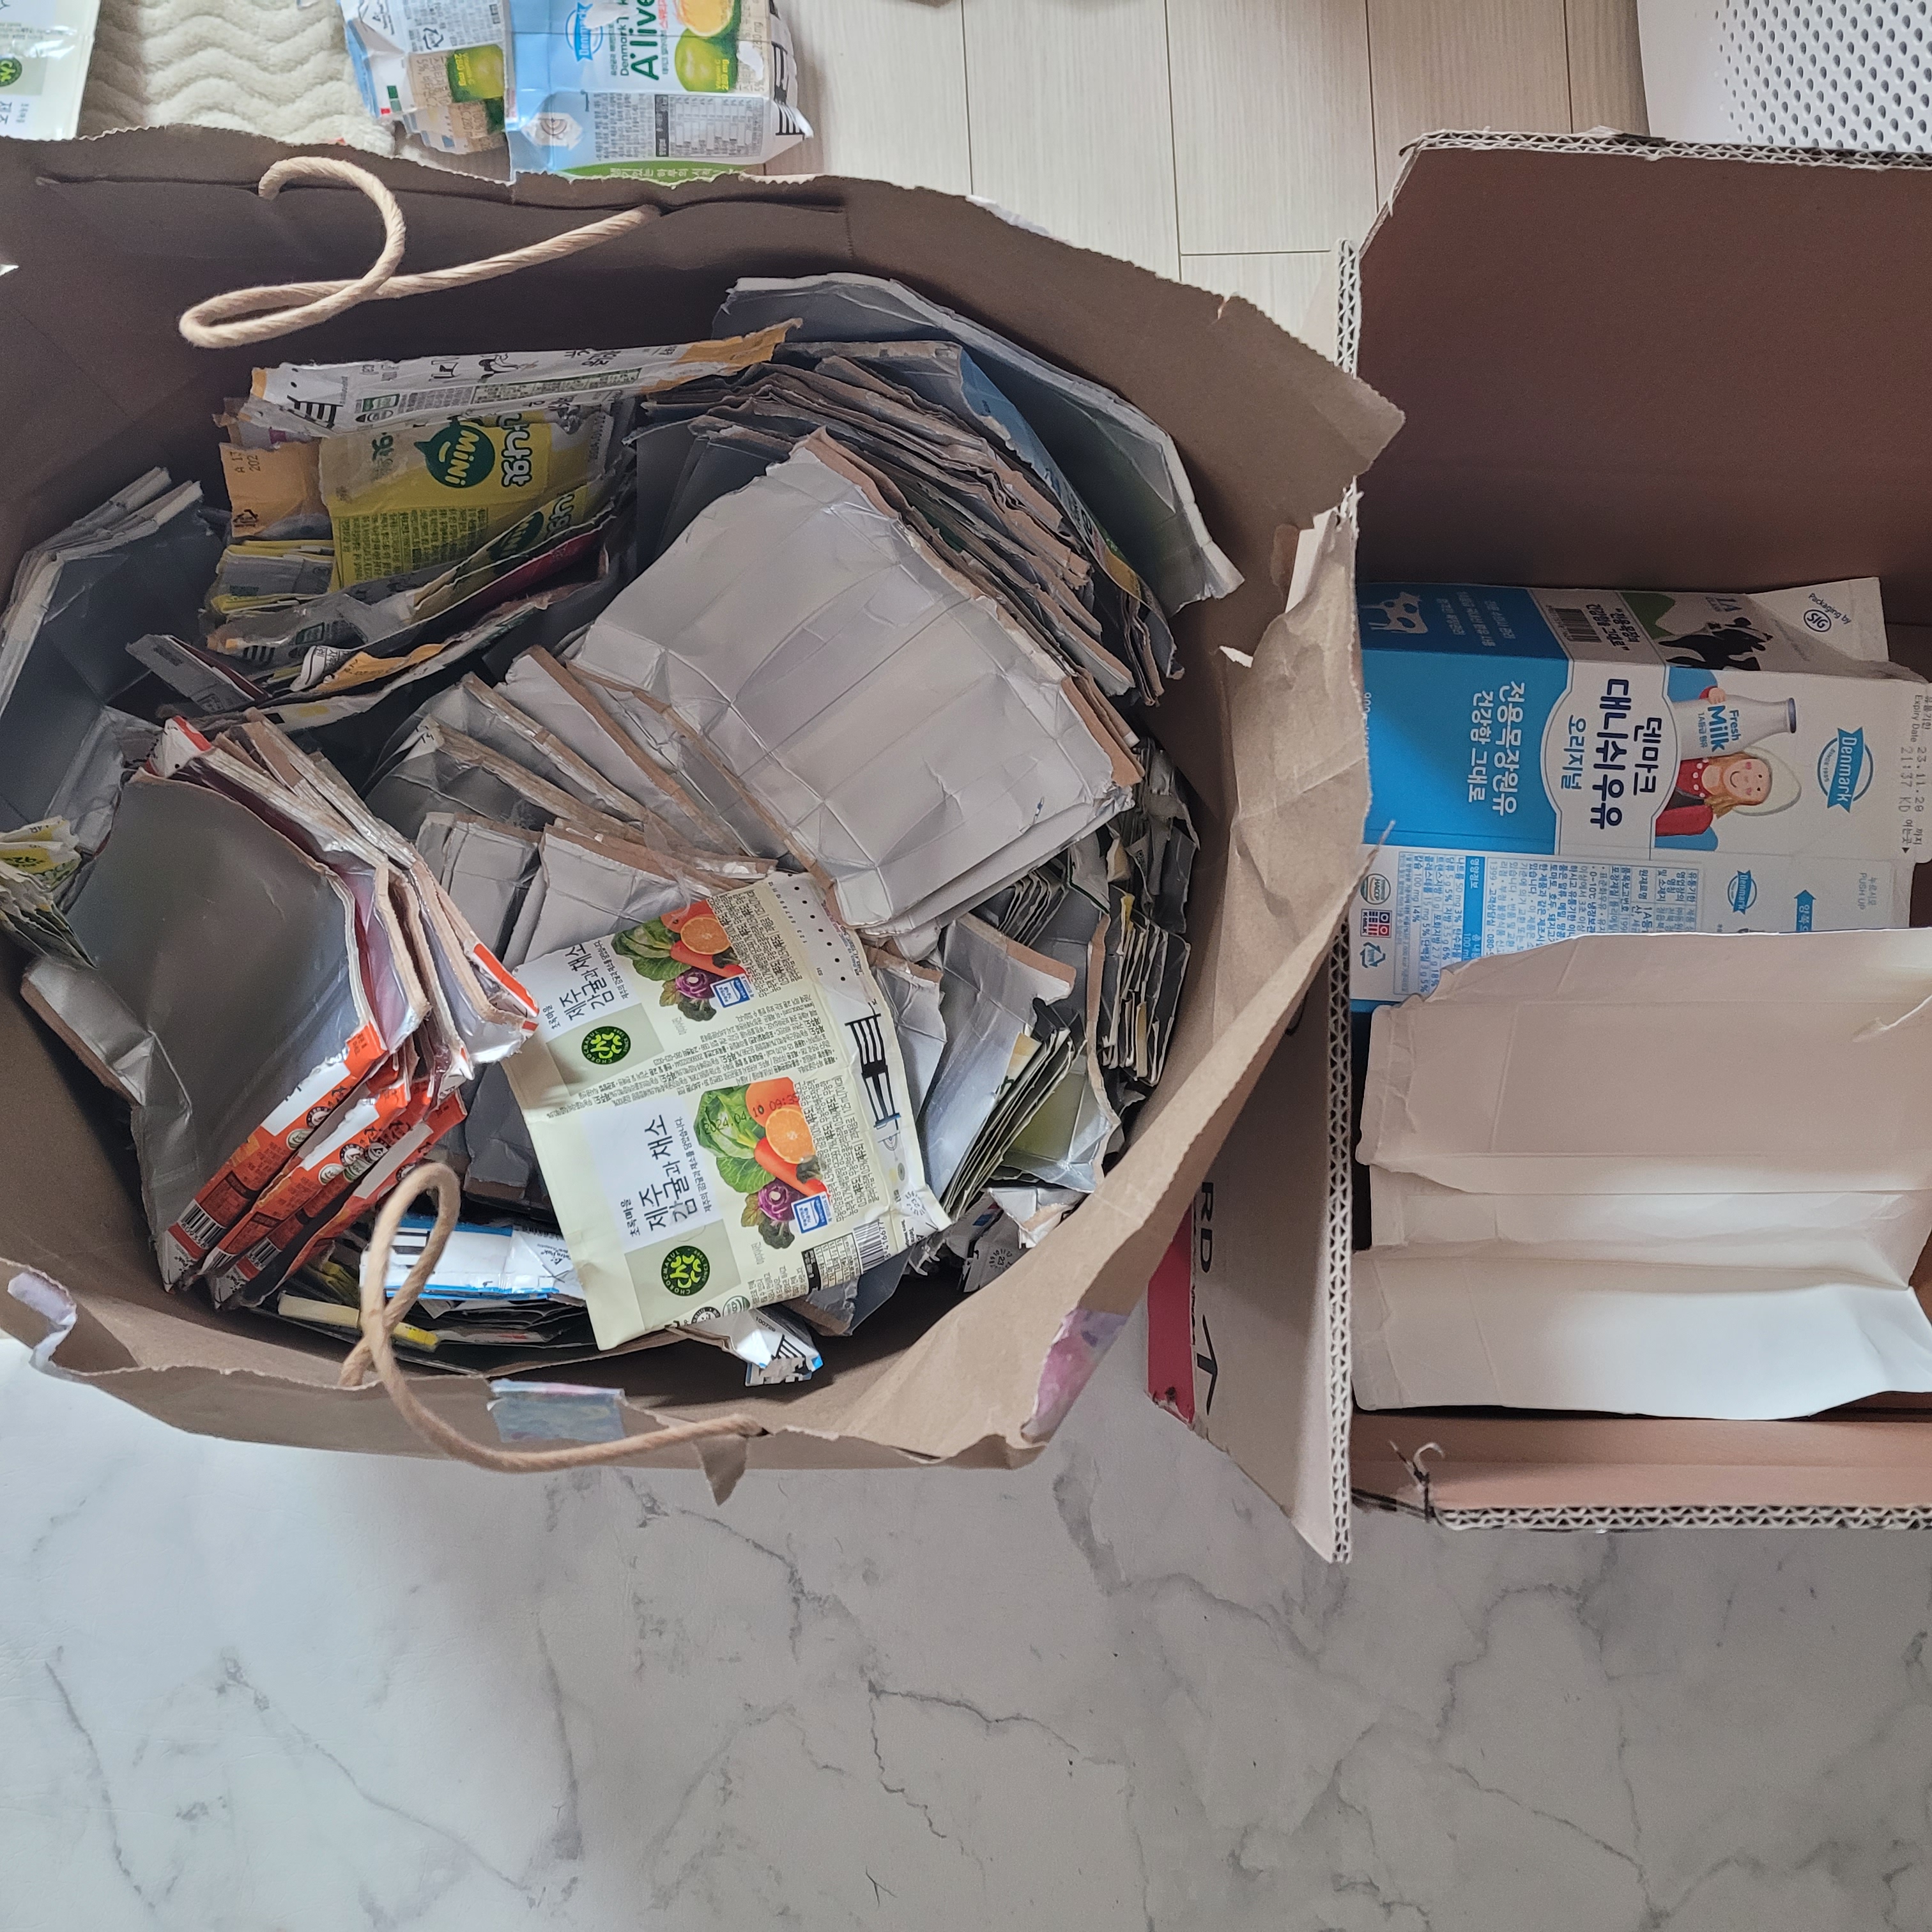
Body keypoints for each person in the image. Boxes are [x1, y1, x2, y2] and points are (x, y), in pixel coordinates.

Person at [1654, 751, 1775, 836]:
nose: (1746, 779)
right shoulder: (1699, 750)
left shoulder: (1699, 819)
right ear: (1741, 757)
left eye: (1749, 791)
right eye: (1748, 766)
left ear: (1740, 801)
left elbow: (1649, 826)